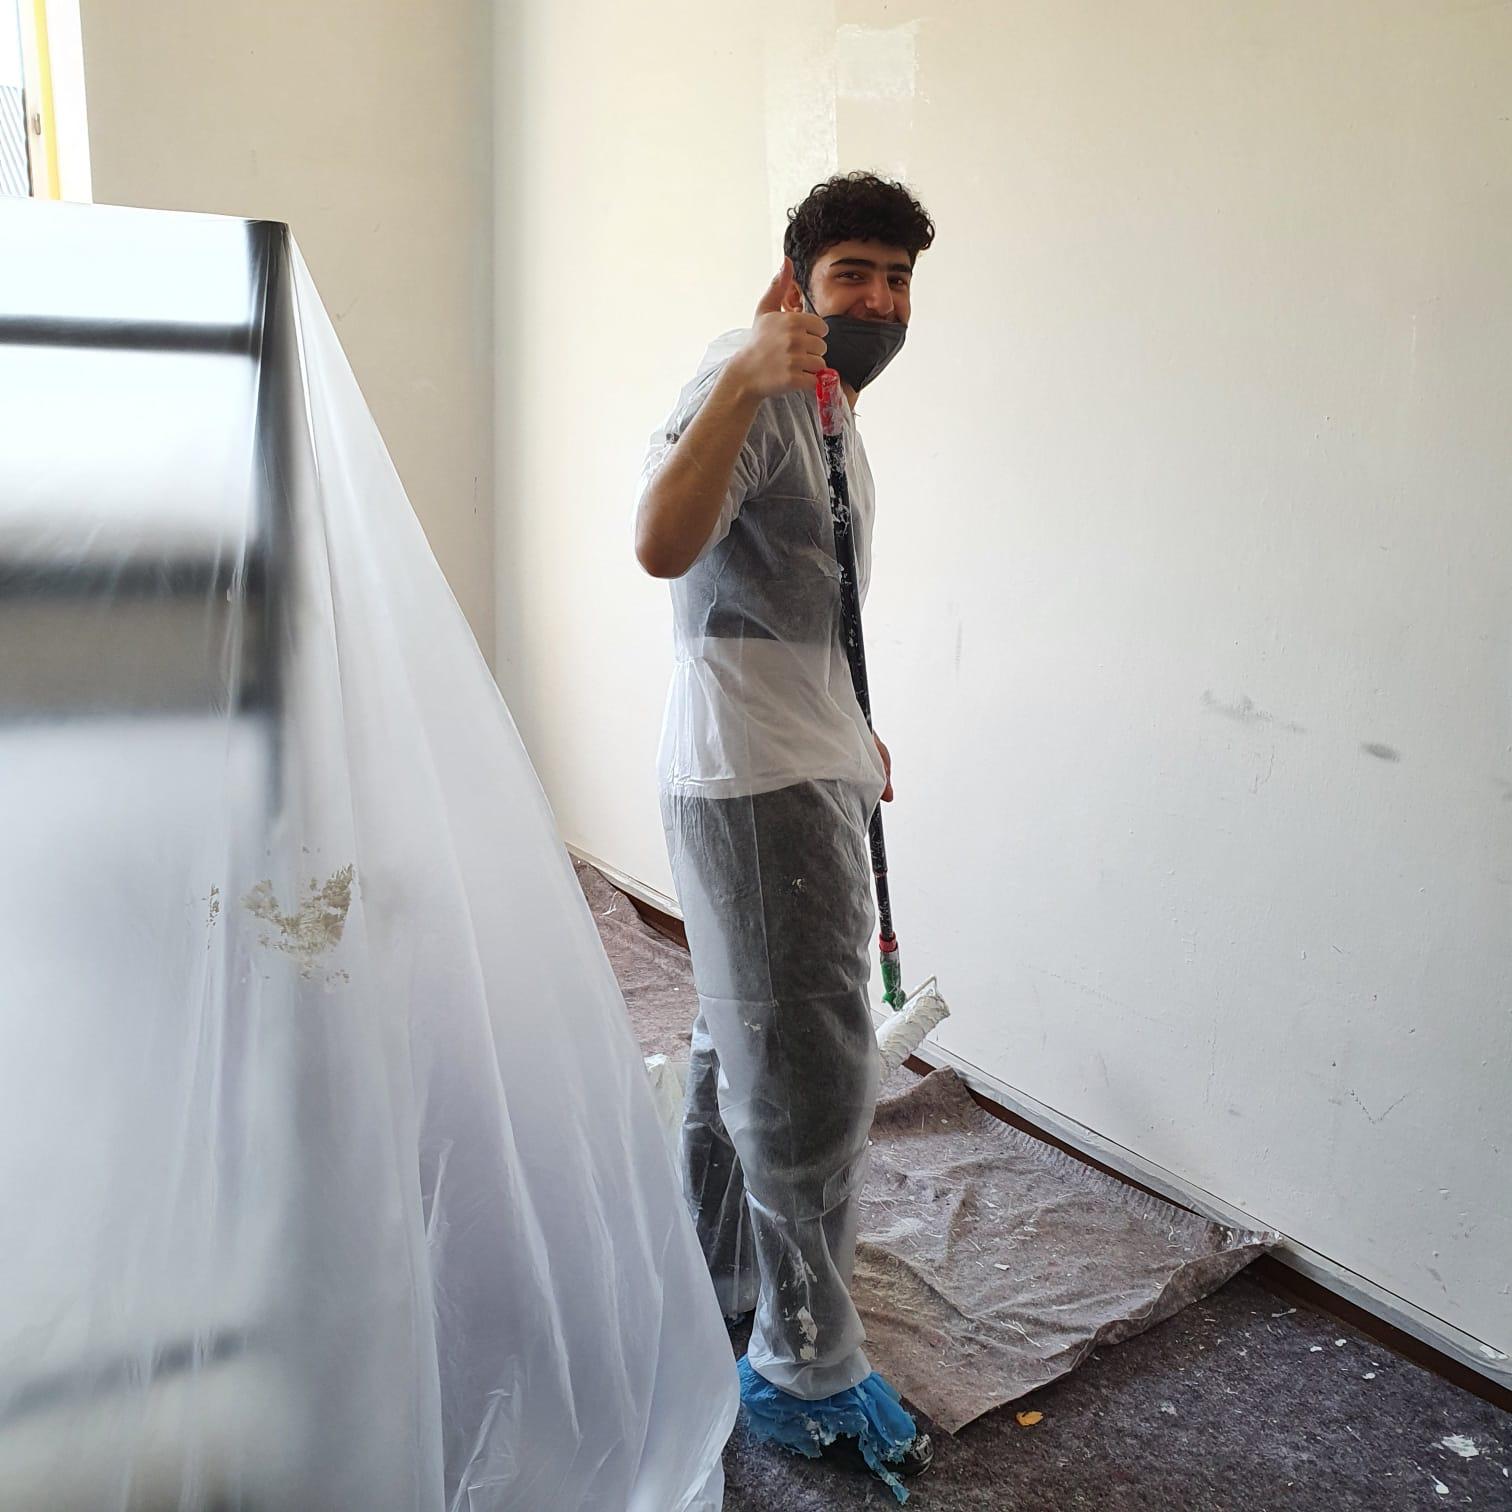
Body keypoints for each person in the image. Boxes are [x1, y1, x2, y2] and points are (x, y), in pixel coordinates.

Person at [634, 172, 936, 1496]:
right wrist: (748, 376)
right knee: (808, 1074)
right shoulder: (753, 387)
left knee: (738, 1039)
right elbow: (662, 544)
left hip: (793, 758)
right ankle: (804, 1367)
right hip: (758, 784)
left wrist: (851, 729)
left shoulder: (829, 407)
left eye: (899, 278)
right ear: (796, 282)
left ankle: (715, 1277)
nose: (881, 300)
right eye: (854, 272)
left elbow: (809, 606)